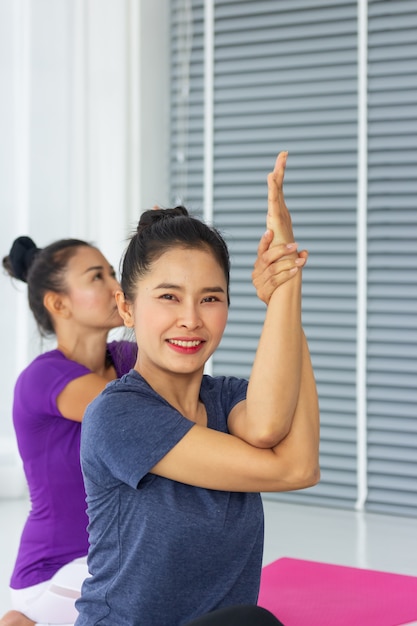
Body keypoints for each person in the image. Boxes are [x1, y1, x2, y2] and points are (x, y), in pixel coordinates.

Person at [74, 151, 320, 626]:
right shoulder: (118, 415)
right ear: (126, 308)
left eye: (211, 298)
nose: (191, 318)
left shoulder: (227, 398)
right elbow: (290, 470)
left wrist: (286, 292)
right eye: (168, 297)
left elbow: (291, 451)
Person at [0, 237, 138, 626]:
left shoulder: (126, 359)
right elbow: (147, 416)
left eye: (113, 272)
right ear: (58, 304)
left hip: (114, 558)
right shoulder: (44, 377)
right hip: (56, 572)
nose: (117, 286)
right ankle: (25, 618)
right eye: (98, 277)